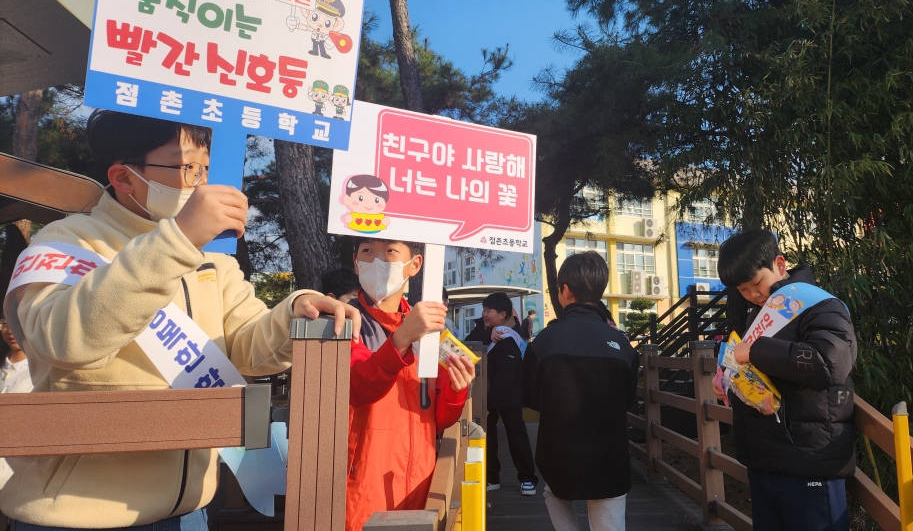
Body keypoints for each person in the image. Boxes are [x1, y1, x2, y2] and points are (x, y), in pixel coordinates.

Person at [0, 110, 359, 531]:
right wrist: (179, 239)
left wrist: (294, 311)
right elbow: (63, 341)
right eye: (188, 168)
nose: (202, 184)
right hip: (76, 515)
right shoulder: (66, 241)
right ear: (124, 177)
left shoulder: (212, 259)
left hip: (191, 511)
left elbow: (250, 351)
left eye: (206, 168)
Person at [714, 229, 856, 531]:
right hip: (765, 460)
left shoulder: (820, 305)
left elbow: (830, 364)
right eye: (743, 290)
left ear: (780, 264)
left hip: (808, 460)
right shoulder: (759, 314)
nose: (753, 295)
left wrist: (755, 351)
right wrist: (726, 377)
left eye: (756, 284)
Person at [345, 237, 476, 531]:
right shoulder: (345, 321)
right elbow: (360, 385)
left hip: (421, 480)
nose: (378, 260)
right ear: (355, 262)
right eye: (367, 251)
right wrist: (402, 338)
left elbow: (439, 417)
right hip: (365, 481)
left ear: (414, 264)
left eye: (390, 251)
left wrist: (457, 390)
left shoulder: (429, 330)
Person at [523, 252, 639, 531]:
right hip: (610, 458)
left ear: (565, 290)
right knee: (609, 509)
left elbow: (531, 398)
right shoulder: (621, 345)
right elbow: (628, 400)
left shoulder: (544, 341)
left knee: (554, 490)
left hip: (558, 455)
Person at [477, 292, 538, 496]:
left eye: (489, 311)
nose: (484, 314)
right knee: (488, 438)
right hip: (489, 396)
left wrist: (488, 403)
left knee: (517, 437)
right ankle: (491, 478)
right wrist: (487, 335)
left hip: (508, 397)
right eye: (484, 310)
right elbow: (467, 342)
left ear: (503, 314)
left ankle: (528, 478)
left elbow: (506, 375)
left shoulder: (511, 337)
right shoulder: (488, 331)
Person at [0, 316, 32, 491]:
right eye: (5, 323)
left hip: (17, 475)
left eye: (17, 322)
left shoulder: (41, 372)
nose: (10, 330)